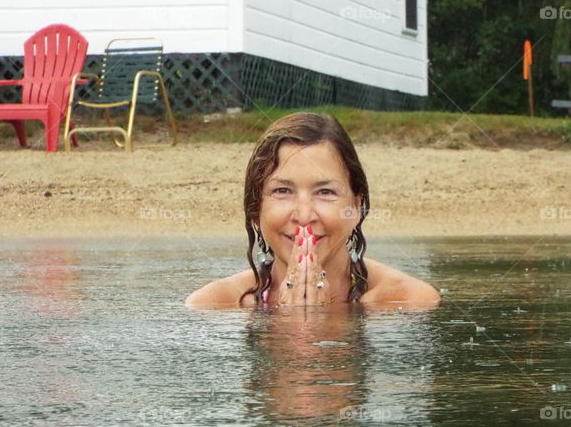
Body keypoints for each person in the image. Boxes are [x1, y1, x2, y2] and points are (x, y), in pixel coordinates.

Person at [186, 112, 441, 308]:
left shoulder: (407, 301)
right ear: (255, 209)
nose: (304, 216)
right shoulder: (215, 305)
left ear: (355, 207)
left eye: (325, 192)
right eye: (282, 191)